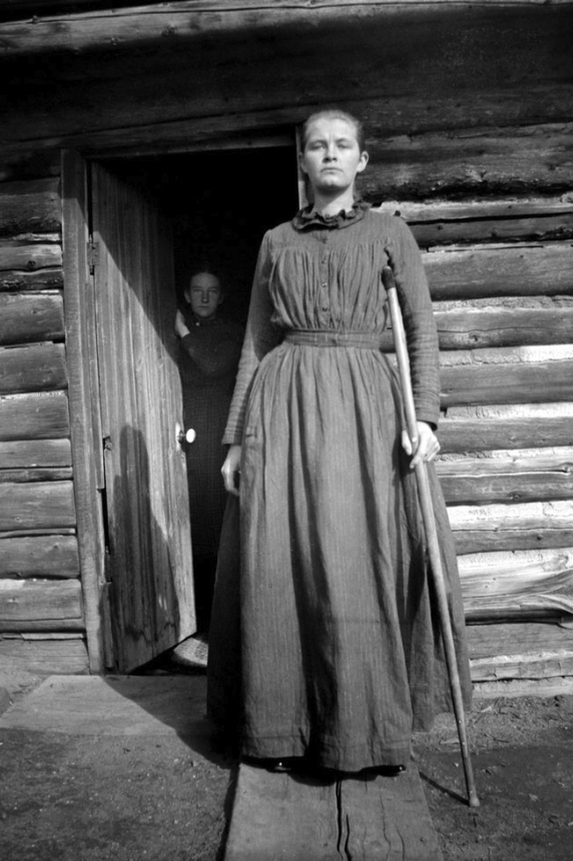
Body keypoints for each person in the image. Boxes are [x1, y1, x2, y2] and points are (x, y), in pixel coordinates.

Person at [206, 108, 471, 776]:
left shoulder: (389, 235)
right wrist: (236, 438)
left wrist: (426, 421)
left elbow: (421, 328)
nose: (328, 154)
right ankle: (281, 726)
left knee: (362, 555)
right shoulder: (275, 241)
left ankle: (366, 726)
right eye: (316, 146)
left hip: (366, 407)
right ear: (301, 160)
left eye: (341, 145)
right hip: (284, 399)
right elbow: (255, 341)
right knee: (280, 556)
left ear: (361, 160)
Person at [174, 269, 243, 657]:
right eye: (197, 290)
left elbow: (212, 365)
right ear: (187, 292)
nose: (204, 297)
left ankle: (219, 628)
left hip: (219, 437)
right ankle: (191, 625)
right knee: (190, 525)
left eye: (212, 291)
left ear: (222, 296)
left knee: (217, 528)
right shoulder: (177, 332)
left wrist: (183, 333)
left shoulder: (231, 332)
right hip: (187, 438)